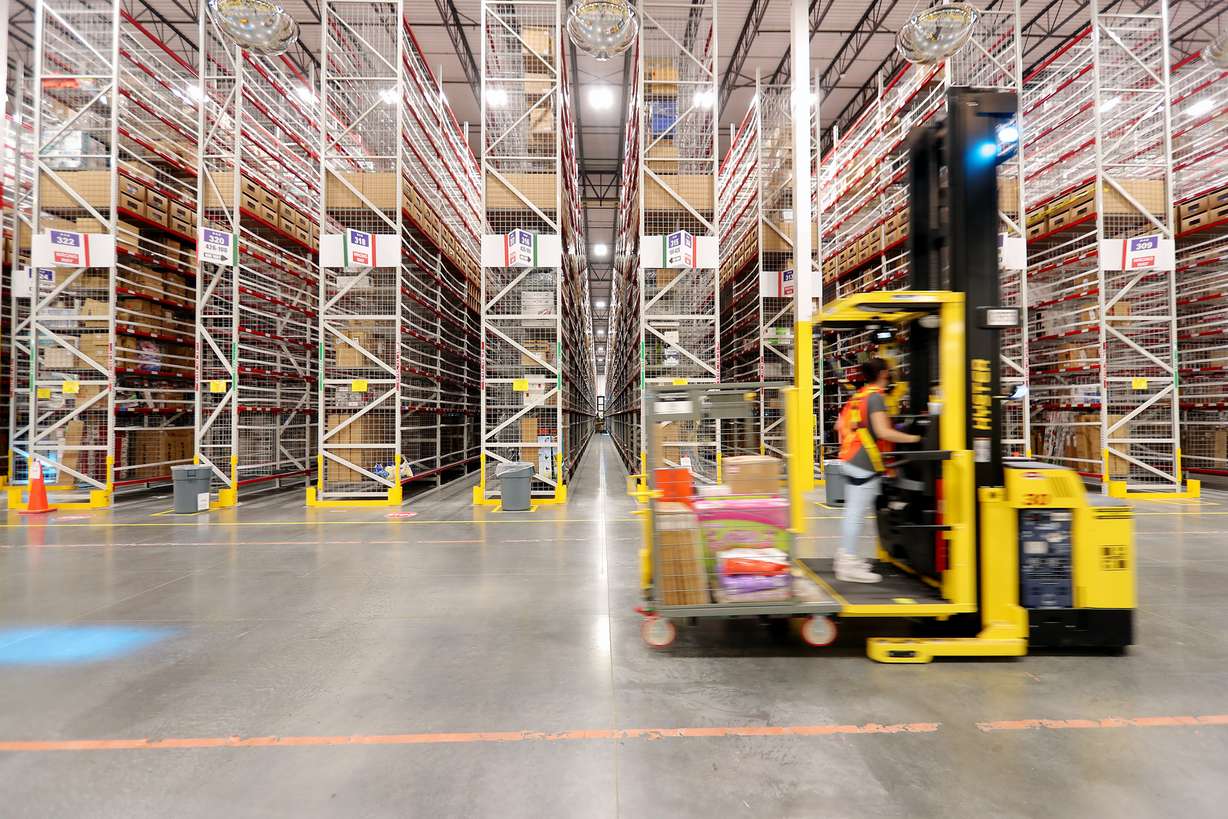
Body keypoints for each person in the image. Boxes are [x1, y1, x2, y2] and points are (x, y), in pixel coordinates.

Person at [834, 358, 922, 583]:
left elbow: (839, 426)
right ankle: (847, 564)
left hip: (850, 456)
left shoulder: (860, 395)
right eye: (890, 372)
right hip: (863, 462)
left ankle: (846, 558)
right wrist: (915, 438)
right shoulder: (875, 397)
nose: (892, 375)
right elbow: (884, 432)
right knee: (855, 513)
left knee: (854, 512)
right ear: (883, 373)